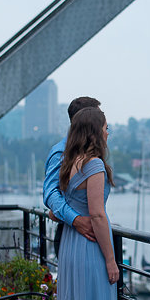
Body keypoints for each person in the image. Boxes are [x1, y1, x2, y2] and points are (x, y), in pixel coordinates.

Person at [54, 106, 129, 300]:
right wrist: (112, 261)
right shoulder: (95, 164)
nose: (108, 132)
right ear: (95, 131)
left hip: (71, 248)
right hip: (89, 251)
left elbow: (57, 207)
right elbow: (98, 215)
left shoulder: (71, 164)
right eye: (106, 127)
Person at [43, 97, 101, 252]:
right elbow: (50, 193)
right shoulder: (61, 151)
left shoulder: (86, 151)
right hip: (72, 232)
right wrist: (76, 219)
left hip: (85, 231)